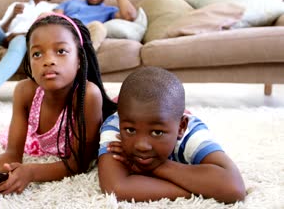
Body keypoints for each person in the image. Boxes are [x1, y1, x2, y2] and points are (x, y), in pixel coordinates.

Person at [0, 13, 117, 195]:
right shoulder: (24, 92)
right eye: (37, 54)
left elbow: (80, 163)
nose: (48, 60)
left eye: (61, 51)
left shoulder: (87, 96)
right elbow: (12, 153)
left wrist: (32, 172)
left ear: (79, 59)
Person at [97, 66, 246, 203]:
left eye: (157, 132)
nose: (141, 145)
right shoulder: (115, 126)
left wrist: (159, 167)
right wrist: (195, 191)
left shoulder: (191, 133)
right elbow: (116, 188)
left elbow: (234, 189)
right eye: (131, 130)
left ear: (181, 127)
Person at [53, 0, 137, 51]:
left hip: (84, 34)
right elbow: (55, 18)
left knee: (99, 27)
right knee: (46, 16)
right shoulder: (71, 2)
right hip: (65, 31)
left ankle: (84, 60)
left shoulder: (109, 10)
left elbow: (130, 16)